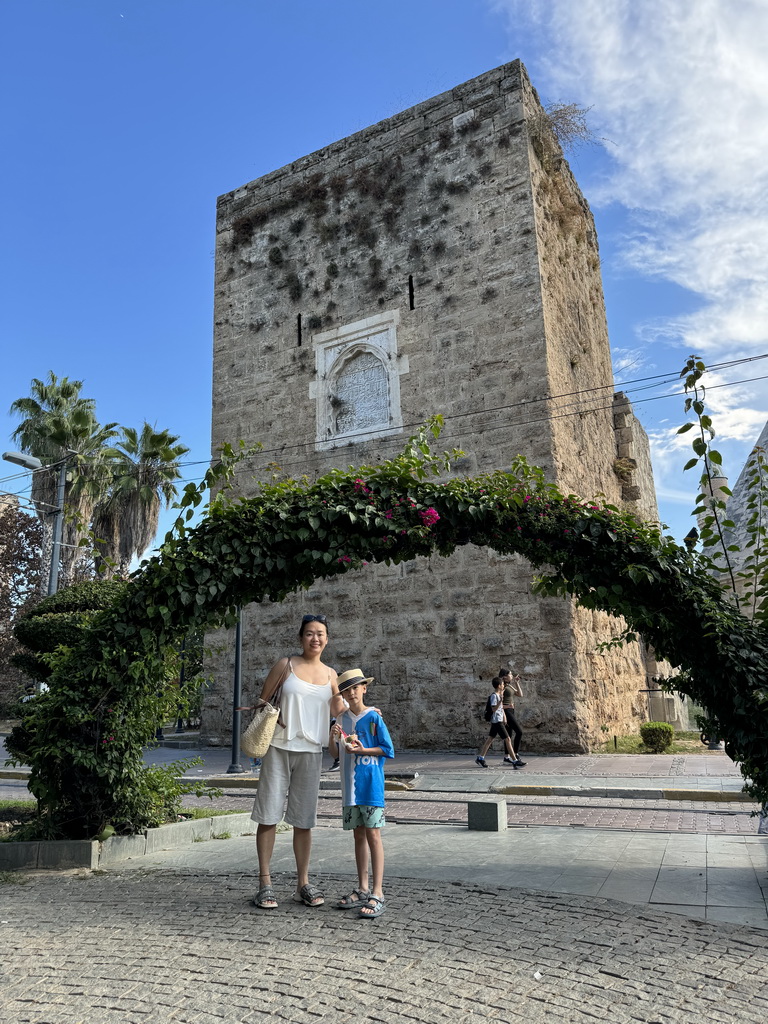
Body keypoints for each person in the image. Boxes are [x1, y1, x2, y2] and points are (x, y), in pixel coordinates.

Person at [245, 613, 347, 910]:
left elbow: (342, 709)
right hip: (278, 746)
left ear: (327, 639)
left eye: (321, 634)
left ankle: (303, 883)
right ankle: (265, 883)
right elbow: (263, 702)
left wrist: (365, 709)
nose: (315, 638)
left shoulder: (331, 675)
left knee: (304, 820)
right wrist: (277, 718)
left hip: (311, 751)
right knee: (269, 814)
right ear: (301, 637)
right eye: (310, 633)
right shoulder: (285, 665)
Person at [329, 668, 394, 919]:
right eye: (347, 689)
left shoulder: (374, 717)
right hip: (350, 789)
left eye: (357, 687)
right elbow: (335, 755)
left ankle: (378, 891)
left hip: (371, 787)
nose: (352, 692)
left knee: (373, 835)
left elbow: (388, 750)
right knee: (358, 836)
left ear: (364, 689)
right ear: (343, 694)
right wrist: (333, 737)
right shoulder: (342, 720)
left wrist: (364, 750)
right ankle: (363, 887)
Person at [476, 677, 518, 767]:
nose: (503, 686)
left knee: (490, 739)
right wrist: (500, 701)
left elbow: (501, 708)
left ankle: (480, 758)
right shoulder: (494, 696)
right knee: (507, 739)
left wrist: (504, 717)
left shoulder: (499, 695)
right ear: (499, 686)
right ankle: (515, 760)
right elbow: (494, 709)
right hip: (496, 721)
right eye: (502, 684)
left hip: (498, 720)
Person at [499, 666, 526, 767]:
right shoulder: (502, 686)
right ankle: (515, 754)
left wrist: (517, 683)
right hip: (506, 712)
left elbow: (520, 694)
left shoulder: (509, 686)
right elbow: (498, 701)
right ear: (505, 676)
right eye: (510, 674)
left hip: (511, 710)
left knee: (509, 735)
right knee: (519, 731)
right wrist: (507, 706)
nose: (512, 676)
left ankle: (507, 757)